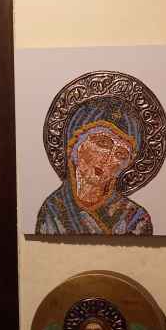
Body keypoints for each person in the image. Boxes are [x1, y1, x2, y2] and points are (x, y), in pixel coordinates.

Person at [36, 99, 153, 235]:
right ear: (75, 144)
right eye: (102, 143)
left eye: (121, 154)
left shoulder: (135, 219)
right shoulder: (52, 209)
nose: (108, 159)